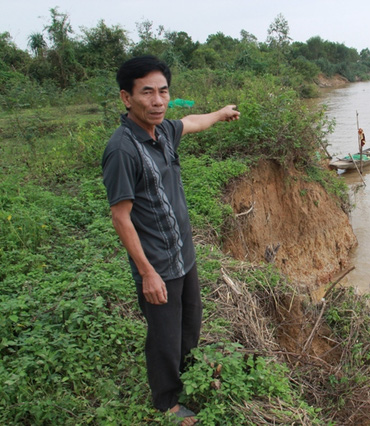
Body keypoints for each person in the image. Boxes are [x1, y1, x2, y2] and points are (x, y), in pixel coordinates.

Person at [101, 55, 240, 424]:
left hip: (184, 255)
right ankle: (167, 401)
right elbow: (120, 217)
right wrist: (147, 273)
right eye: (147, 92)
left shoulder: (161, 131)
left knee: (189, 323)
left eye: (163, 91)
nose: (158, 100)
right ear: (126, 98)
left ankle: (188, 375)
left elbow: (192, 121)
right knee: (163, 335)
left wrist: (220, 113)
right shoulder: (122, 149)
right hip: (158, 264)